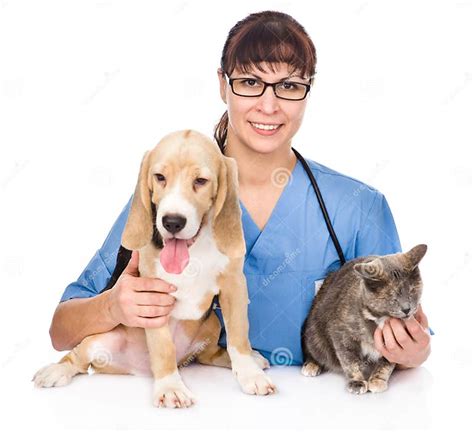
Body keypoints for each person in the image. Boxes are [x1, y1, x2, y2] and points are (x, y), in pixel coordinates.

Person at [49, 11, 431, 368]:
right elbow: (61, 331)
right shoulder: (166, 200)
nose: (269, 105)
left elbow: (411, 338)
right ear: (222, 84)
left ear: (308, 91)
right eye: (250, 82)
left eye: (289, 86)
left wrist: (413, 351)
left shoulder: (357, 208)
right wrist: (114, 308)